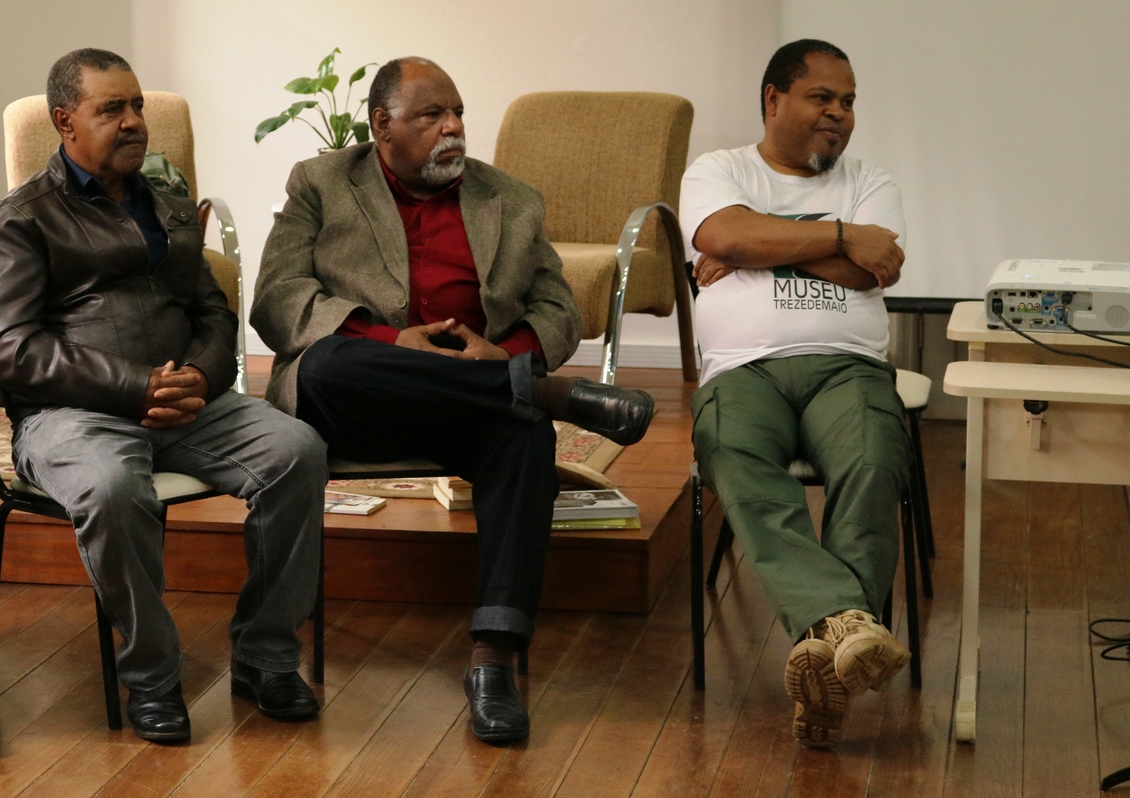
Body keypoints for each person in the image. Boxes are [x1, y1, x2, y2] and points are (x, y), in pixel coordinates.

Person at [251, 56, 656, 745]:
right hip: (359, 397)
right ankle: (542, 393)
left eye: (458, 112)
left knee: (525, 437)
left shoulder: (510, 199)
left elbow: (558, 306)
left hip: (471, 405)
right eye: (432, 115)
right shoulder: (321, 183)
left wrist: (506, 354)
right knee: (325, 365)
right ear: (382, 126)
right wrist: (392, 342)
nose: (453, 128)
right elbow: (278, 298)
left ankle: (492, 661)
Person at [0, 48, 328, 743]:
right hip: (72, 414)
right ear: (65, 122)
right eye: (112, 109)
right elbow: (6, 349)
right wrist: (134, 387)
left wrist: (201, 376)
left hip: (188, 405)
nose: (134, 121)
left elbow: (212, 313)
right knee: (110, 488)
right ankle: (153, 675)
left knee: (298, 452)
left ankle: (266, 654)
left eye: (136, 106)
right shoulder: (18, 219)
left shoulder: (166, 204)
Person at [682, 39, 912, 747]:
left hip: (848, 368)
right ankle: (846, 631)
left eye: (848, 102)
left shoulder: (871, 179)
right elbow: (724, 233)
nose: (839, 113)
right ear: (773, 99)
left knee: (873, 459)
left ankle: (825, 646)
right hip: (742, 370)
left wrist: (754, 249)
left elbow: (873, 268)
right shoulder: (718, 169)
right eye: (822, 97)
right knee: (733, 454)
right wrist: (838, 236)